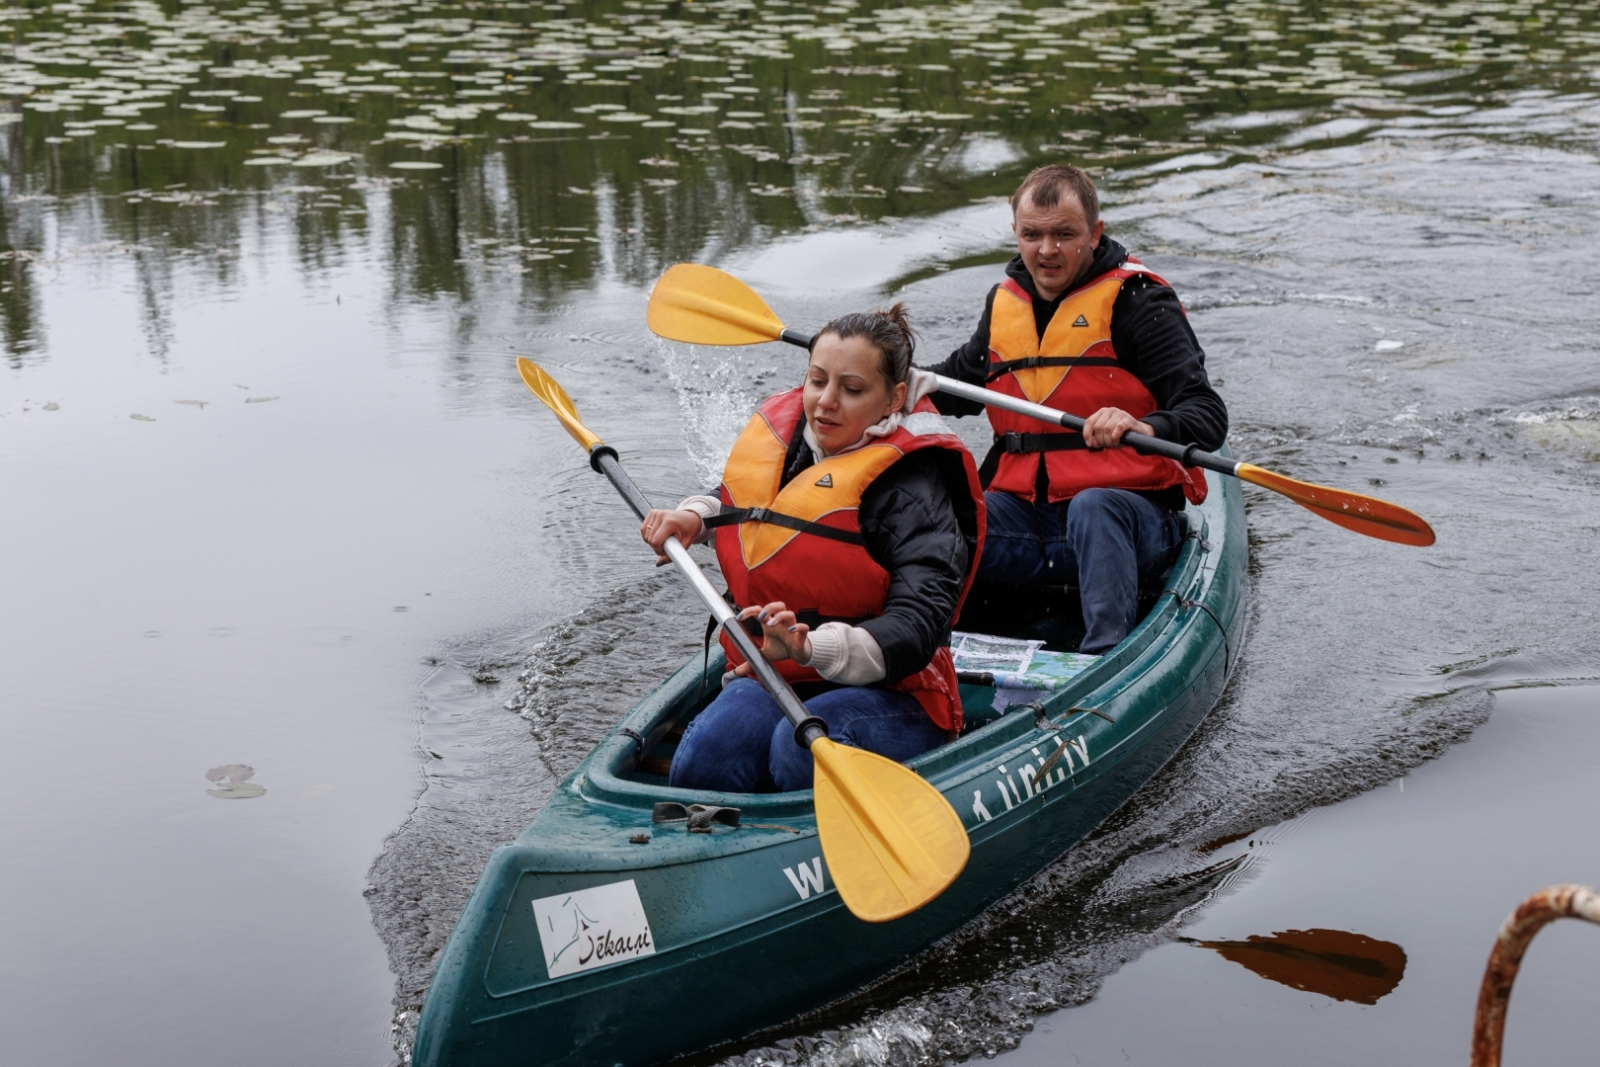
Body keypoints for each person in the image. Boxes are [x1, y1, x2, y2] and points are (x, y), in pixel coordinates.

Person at [640, 306, 985, 793]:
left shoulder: (914, 489)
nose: (826, 402)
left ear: (895, 398)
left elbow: (919, 624)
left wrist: (808, 648)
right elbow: (743, 500)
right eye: (817, 381)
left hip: (896, 691)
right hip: (778, 672)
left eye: (852, 389)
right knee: (706, 756)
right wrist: (694, 517)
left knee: (797, 749)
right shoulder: (794, 444)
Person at [923, 164, 1227, 655]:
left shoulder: (1139, 302)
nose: (1047, 250)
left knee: (1093, 505)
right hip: (1029, 522)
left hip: (1130, 523)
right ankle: (928, 647)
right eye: (1033, 235)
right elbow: (956, 383)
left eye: (1064, 234)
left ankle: (1101, 661)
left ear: (1094, 233)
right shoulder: (1004, 303)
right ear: (1016, 234)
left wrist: (1141, 423)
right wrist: (888, 384)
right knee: (943, 509)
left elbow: (1207, 414)